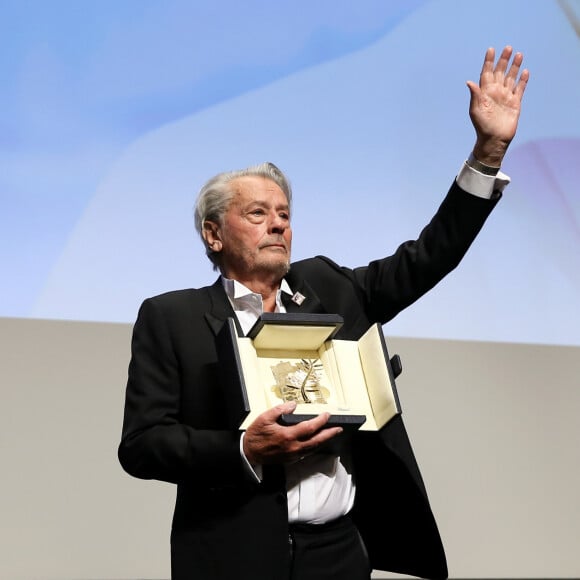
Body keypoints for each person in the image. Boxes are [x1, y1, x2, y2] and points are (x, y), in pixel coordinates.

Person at [118, 45, 529, 580]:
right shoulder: (171, 317)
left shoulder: (330, 287)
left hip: (338, 553)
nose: (277, 225)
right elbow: (143, 446)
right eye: (258, 213)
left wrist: (488, 153)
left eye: (284, 214)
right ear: (213, 235)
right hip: (231, 555)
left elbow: (431, 256)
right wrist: (244, 446)